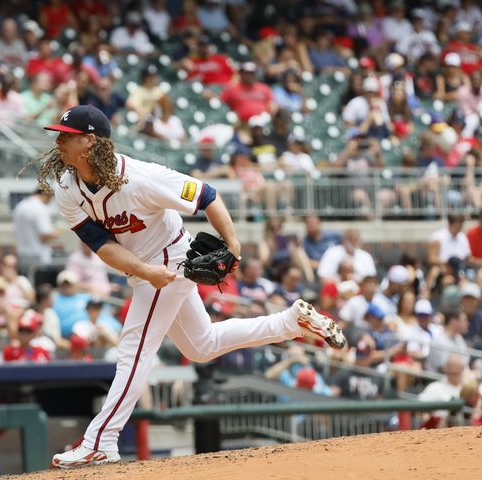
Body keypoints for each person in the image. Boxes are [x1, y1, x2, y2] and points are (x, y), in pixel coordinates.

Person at [38, 105, 346, 468]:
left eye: (67, 135)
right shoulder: (67, 187)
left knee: (133, 350)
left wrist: (233, 246)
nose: (58, 140)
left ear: (90, 141)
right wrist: (143, 271)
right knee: (202, 346)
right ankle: (290, 323)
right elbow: (102, 245)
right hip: (147, 269)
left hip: (172, 256)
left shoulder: (142, 177)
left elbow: (207, 195)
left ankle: (101, 440)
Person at [12, 188, 60, 279]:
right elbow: (45, 235)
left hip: (22, 255)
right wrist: (57, 233)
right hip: (38, 257)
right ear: (47, 195)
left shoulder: (20, 206)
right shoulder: (40, 208)